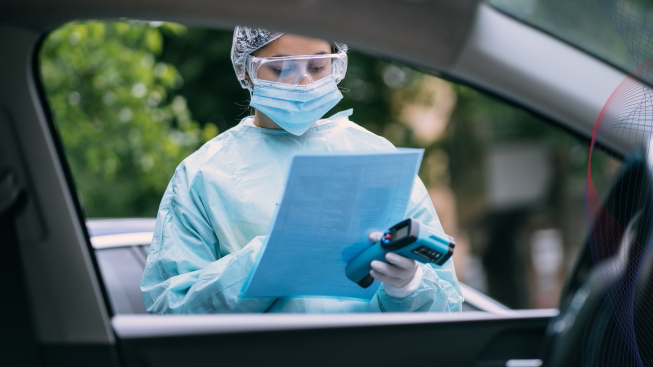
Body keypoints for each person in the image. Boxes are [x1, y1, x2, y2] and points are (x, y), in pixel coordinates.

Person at [140, 26, 463, 313]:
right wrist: (265, 261)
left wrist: (407, 285)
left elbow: (447, 311)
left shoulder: (376, 157)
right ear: (247, 70)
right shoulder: (203, 174)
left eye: (318, 66)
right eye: (280, 68)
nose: (303, 82)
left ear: (337, 64)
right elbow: (171, 308)